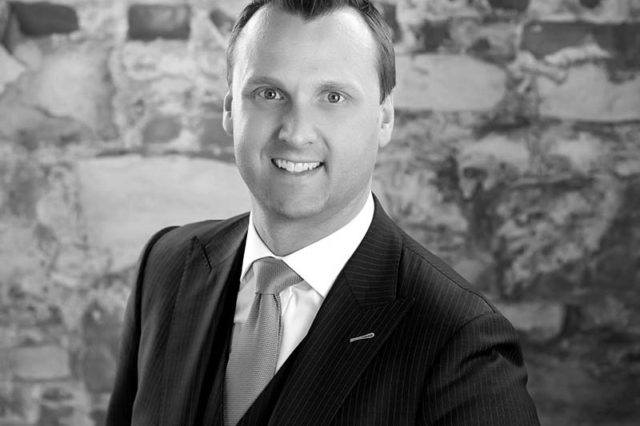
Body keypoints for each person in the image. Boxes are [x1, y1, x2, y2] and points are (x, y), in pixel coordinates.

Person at [106, 0, 540, 425]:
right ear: (228, 109)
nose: (295, 132)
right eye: (269, 93)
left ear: (384, 119)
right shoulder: (167, 266)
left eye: (333, 96)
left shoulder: (457, 339)